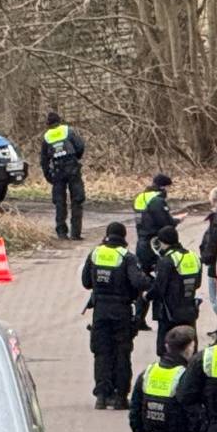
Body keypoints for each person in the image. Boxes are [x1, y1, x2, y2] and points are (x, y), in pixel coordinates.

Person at [79, 222, 149, 409]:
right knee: (122, 353)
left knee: (101, 353)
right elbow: (139, 282)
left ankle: (101, 395)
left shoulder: (95, 254)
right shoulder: (127, 257)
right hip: (121, 311)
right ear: (124, 237)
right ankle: (120, 397)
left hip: (100, 311)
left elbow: (86, 282)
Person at [145, 228, 203, 357]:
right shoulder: (193, 257)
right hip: (189, 310)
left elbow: (159, 288)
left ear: (163, 242)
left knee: (168, 351)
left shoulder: (167, 260)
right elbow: (197, 283)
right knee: (189, 348)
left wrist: (146, 296)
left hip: (169, 312)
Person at [41, 111, 87, 240]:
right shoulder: (68, 131)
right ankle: (76, 233)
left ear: (48, 124)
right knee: (77, 200)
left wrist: (48, 175)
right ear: (60, 121)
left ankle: (61, 233)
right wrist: (76, 157)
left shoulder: (46, 137)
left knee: (60, 202)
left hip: (57, 171)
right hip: (72, 168)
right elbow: (80, 146)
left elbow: (44, 160)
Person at [132, 173, 177, 260]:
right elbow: (165, 223)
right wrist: (176, 221)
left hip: (141, 241)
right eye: (168, 187)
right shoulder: (157, 200)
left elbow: (141, 219)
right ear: (163, 187)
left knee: (144, 269)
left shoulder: (140, 197)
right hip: (155, 243)